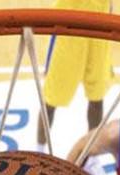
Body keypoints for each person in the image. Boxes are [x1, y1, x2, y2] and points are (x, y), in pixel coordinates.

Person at [35, 0, 113, 152]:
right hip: (69, 23)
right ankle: (39, 150)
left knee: (97, 96)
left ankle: (93, 153)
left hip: (99, 21)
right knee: (51, 99)